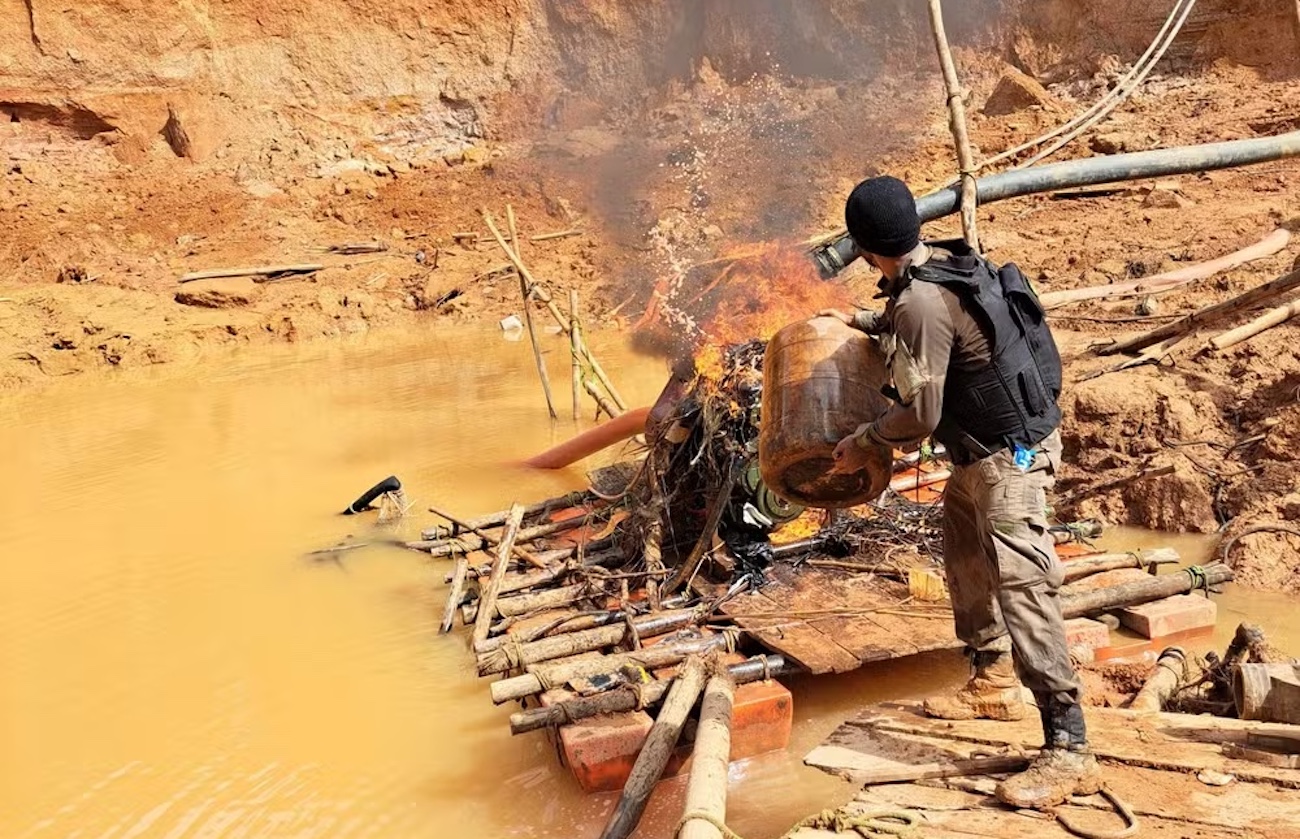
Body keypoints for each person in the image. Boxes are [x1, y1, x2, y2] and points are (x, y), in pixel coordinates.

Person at [818, 175, 1100, 810]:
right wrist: (860, 318)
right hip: (982, 456)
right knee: (965, 564)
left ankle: (1070, 749)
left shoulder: (918, 302)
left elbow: (919, 416)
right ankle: (992, 678)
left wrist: (864, 436)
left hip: (1011, 461)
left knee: (1023, 587)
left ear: (864, 248)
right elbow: (922, 323)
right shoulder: (939, 266)